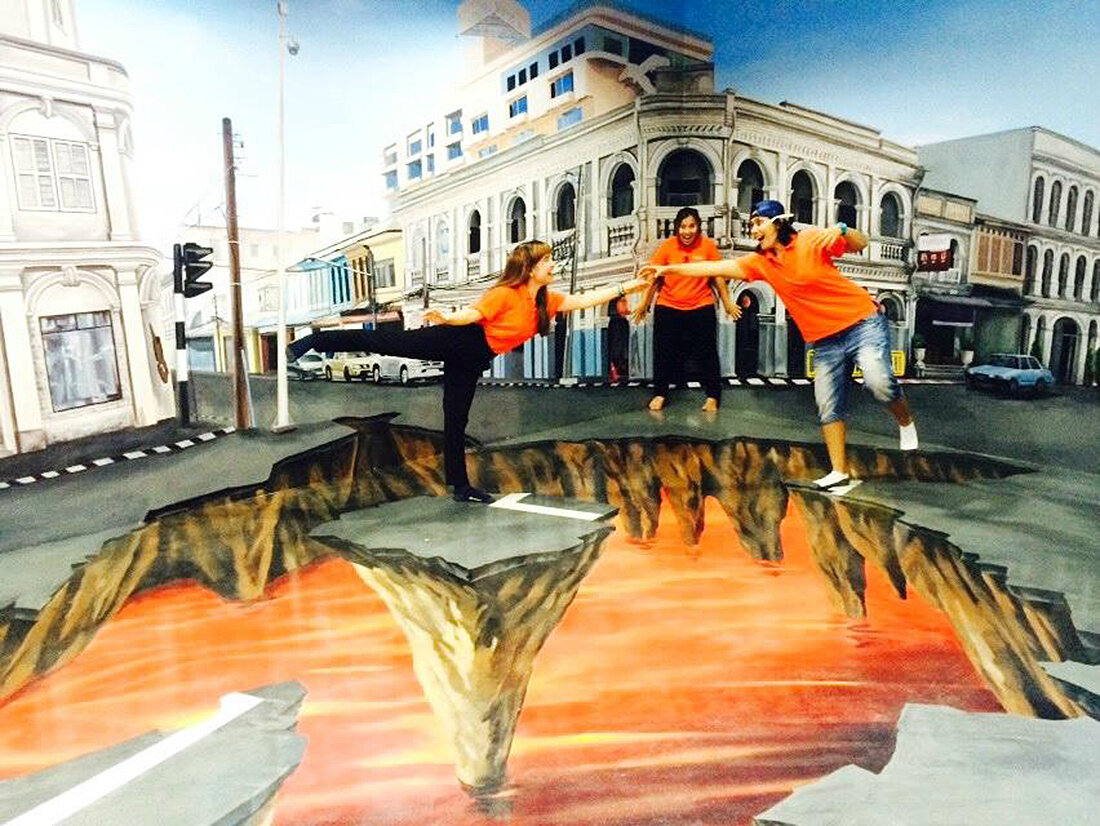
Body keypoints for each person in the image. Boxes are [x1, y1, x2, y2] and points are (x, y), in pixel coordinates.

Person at [288, 241, 648, 502]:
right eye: (547, 260)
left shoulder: (545, 301)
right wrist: (446, 317)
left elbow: (584, 300)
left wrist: (627, 286)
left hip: (473, 357)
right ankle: (314, 341)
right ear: (530, 267)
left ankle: (460, 486)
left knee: (456, 419)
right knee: (386, 341)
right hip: (457, 338)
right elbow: (473, 315)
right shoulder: (505, 293)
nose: (553, 265)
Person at [640, 200, 917, 489]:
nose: (753, 230)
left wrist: (843, 230)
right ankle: (839, 472)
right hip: (825, 338)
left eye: (758, 223)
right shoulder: (761, 263)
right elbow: (714, 266)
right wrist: (665, 270)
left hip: (861, 321)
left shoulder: (809, 240)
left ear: (779, 222)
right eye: (751, 225)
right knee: (827, 404)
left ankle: (905, 420)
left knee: (878, 382)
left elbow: (861, 243)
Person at [632, 206, 740, 412]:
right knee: (663, 352)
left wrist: (727, 302)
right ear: (677, 228)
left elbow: (718, 276)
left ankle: (712, 396)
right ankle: (660, 393)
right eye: (683, 227)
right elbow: (654, 278)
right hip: (668, 306)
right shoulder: (667, 247)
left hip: (701, 305)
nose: (687, 231)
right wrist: (644, 303)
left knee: (707, 352)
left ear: (698, 227)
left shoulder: (707, 246)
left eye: (691, 226)